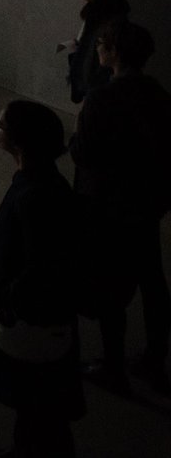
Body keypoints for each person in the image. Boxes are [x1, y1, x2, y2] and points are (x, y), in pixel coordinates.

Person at [0, 100, 84, 458]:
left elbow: (45, 266)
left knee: (42, 396)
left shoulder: (38, 194)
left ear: (19, 141)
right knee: (34, 395)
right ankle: (23, 448)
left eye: (2, 124)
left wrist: (9, 301)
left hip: (34, 319)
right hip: (33, 317)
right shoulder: (38, 182)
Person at [71, 21, 171, 396]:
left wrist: (78, 130)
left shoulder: (102, 99)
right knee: (152, 282)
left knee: (111, 287)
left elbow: (84, 154)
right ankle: (154, 359)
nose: (97, 48)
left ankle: (113, 367)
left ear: (114, 52)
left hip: (108, 207)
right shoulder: (159, 94)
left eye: (102, 43)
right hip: (145, 205)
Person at [64, 0, 129, 104]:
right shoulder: (92, 14)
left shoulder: (109, 22)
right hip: (91, 76)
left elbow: (94, 54)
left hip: (97, 78)